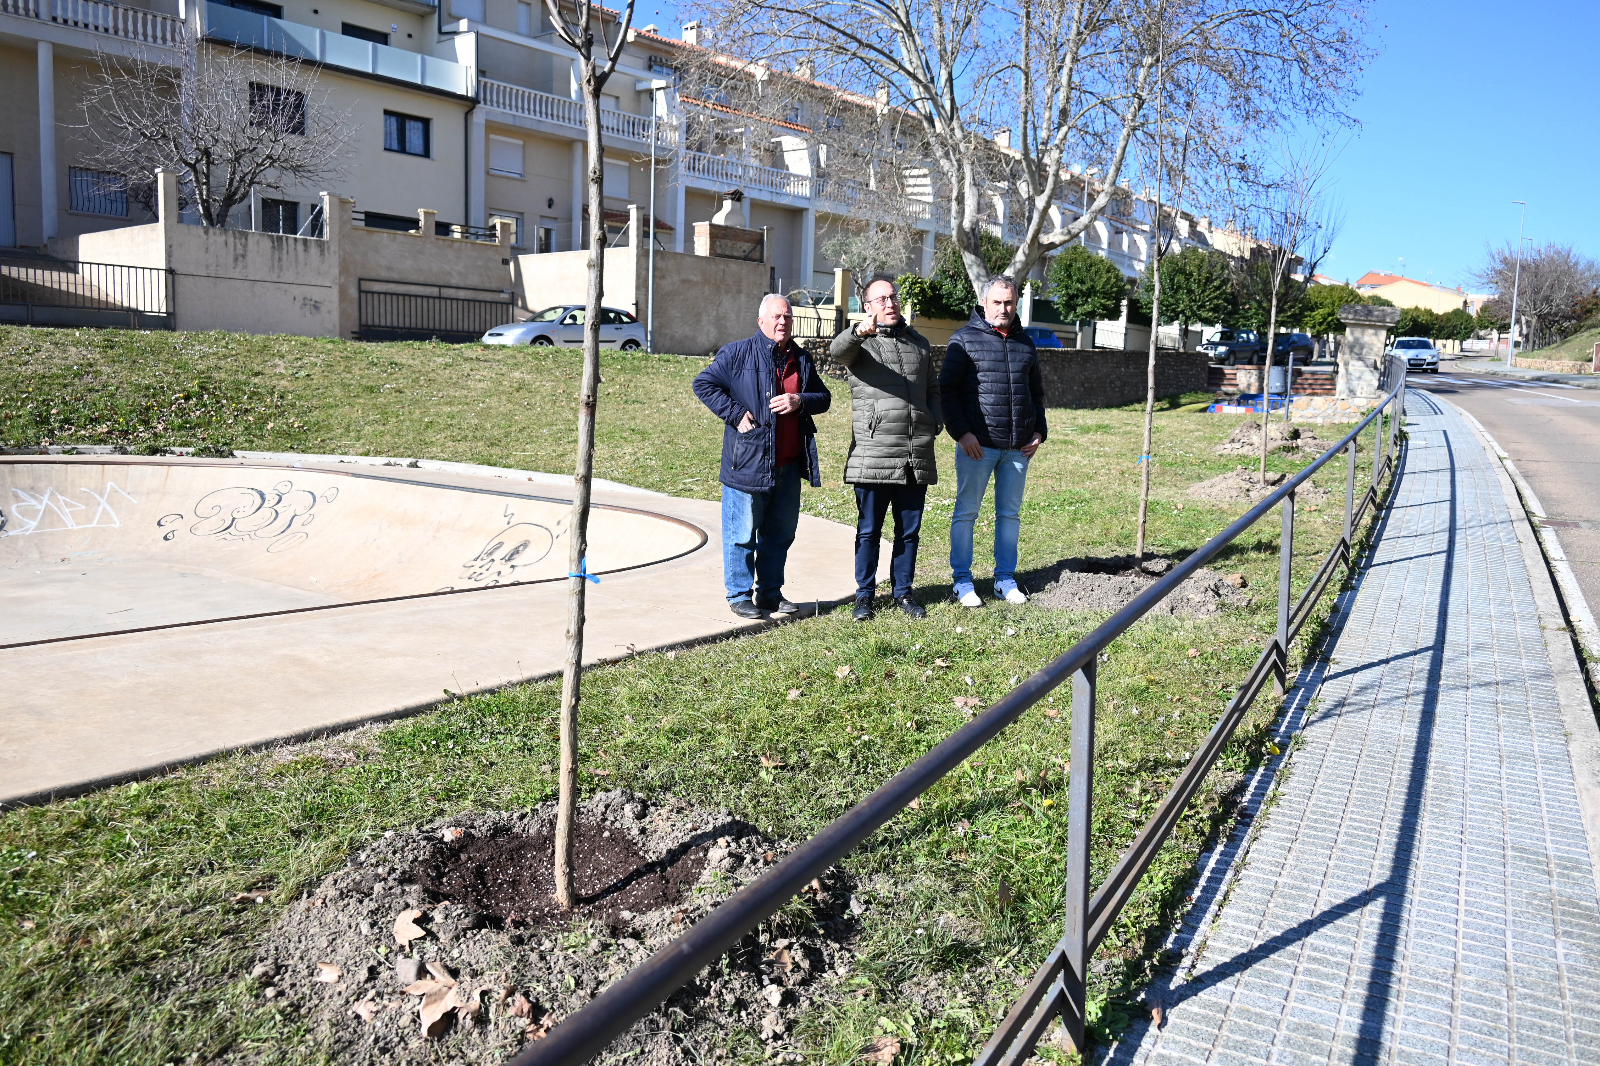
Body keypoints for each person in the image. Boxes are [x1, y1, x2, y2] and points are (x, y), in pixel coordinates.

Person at [693, 293, 832, 619]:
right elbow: (704, 384)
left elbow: (823, 398)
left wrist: (800, 401)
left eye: (787, 317)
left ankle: (769, 593)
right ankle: (739, 595)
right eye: (776, 316)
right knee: (741, 534)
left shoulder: (801, 358)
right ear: (761, 321)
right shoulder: (737, 353)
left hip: (788, 465)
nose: (783, 322)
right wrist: (734, 413)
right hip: (747, 463)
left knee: (779, 535)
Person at [830, 275, 941, 621]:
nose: (890, 303)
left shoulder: (919, 344)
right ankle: (864, 596)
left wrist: (934, 421)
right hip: (873, 454)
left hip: (914, 455)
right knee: (869, 531)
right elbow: (837, 351)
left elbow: (933, 389)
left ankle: (903, 593)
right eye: (881, 299)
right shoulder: (860, 345)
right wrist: (858, 332)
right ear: (867, 307)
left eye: (893, 297)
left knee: (909, 532)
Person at [939, 276, 1047, 607]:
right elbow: (947, 392)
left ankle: (1004, 579)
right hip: (977, 447)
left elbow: (1036, 393)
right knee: (966, 513)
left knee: (1009, 515)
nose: (1003, 308)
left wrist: (1039, 431)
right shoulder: (964, 340)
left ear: (1016, 303)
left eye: (1009, 302)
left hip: (1017, 448)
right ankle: (962, 581)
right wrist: (962, 432)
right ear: (984, 302)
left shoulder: (1025, 343)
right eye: (997, 302)